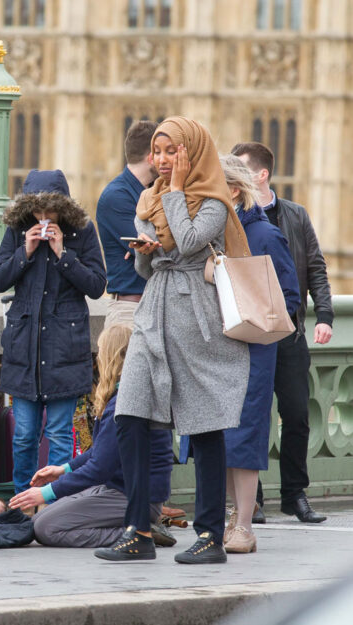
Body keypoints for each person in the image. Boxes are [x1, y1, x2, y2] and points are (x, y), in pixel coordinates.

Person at [94, 116, 251, 565]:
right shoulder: (152, 197)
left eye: (171, 152)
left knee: (203, 427)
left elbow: (187, 242)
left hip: (196, 316)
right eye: (157, 153)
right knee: (130, 416)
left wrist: (177, 191)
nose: (161, 161)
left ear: (192, 152)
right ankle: (138, 529)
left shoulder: (214, 200)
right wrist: (145, 252)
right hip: (154, 310)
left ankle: (210, 536)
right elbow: (153, 265)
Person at [179, 155, 300, 554]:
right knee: (217, 436)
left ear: (232, 190)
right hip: (214, 349)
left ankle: (244, 524)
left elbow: (289, 297)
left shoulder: (263, 235)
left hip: (250, 350)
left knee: (244, 438)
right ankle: (230, 515)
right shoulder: (212, 233)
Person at [231, 141, 333, 524]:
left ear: (261, 175)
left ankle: (295, 495)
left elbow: (316, 269)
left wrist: (324, 315)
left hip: (289, 333)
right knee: (250, 418)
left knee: (296, 415)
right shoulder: (230, 219)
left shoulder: (295, 215)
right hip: (248, 335)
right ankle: (251, 501)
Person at [0, 169, 106, 495]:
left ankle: (56, 503)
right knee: (24, 434)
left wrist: (62, 255)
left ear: (62, 208)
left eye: (49, 210)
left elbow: (96, 286)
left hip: (64, 350)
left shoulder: (82, 231)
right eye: (37, 211)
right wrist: (24, 252)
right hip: (24, 349)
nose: (43, 217)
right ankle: (21, 498)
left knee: (58, 433)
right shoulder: (17, 231)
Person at [8, 324, 174, 548]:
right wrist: (64, 469)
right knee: (37, 521)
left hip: (134, 496)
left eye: (100, 350)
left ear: (112, 356)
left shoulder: (126, 401)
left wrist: (47, 493)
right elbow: (103, 453)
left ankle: (139, 532)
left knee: (46, 528)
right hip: (118, 489)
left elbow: (100, 467)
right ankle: (136, 528)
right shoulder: (124, 394)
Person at [96, 120, 158, 328]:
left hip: (154, 306)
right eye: (163, 152)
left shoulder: (152, 192)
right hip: (130, 310)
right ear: (152, 157)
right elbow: (155, 250)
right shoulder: (116, 196)